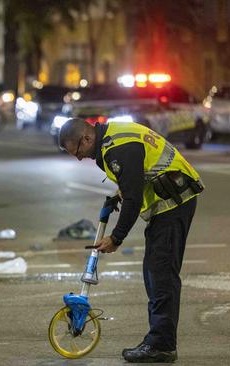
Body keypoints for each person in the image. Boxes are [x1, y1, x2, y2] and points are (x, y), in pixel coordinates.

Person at [57, 118, 204, 363]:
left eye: (78, 152)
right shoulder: (109, 138)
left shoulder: (117, 148)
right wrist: (118, 194)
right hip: (166, 204)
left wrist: (116, 237)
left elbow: (134, 198)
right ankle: (157, 340)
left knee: (161, 275)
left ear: (86, 138)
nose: (79, 158)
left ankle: (162, 345)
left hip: (174, 202)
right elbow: (135, 175)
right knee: (153, 273)